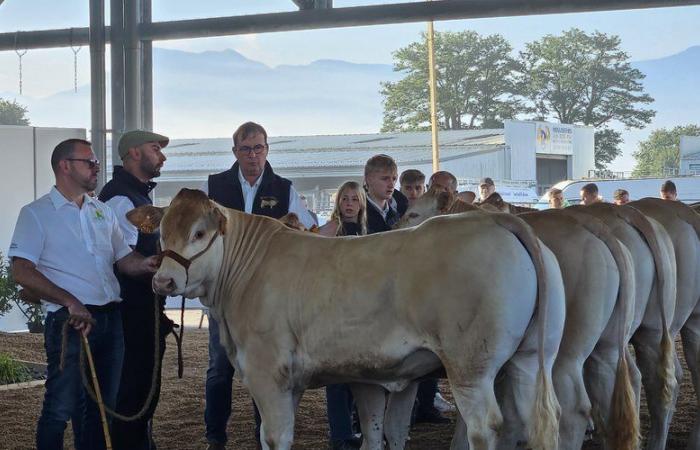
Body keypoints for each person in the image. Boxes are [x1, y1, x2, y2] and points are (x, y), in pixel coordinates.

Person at [8, 138, 158, 450]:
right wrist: (70, 301)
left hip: (110, 320)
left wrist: (152, 266)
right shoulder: (36, 214)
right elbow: (22, 270)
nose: (96, 167)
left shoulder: (101, 211)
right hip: (69, 323)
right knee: (60, 409)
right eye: (89, 162)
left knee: (103, 408)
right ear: (65, 166)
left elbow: (125, 260)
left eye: (96, 163)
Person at [201, 122, 315, 450]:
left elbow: (305, 232)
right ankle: (215, 436)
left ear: (267, 149)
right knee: (220, 367)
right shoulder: (214, 187)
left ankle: (262, 432)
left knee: (265, 364)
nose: (253, 155)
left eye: (259, 148)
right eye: (246, 149)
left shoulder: (284, 188)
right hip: (225, 294)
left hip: (269, 298)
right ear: (235, 151)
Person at [98, 130, 172, 450]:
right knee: (133, 389)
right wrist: (162, 268)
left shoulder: (137, 195)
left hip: (142, 308)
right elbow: (122, 260)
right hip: (130, 312)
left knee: (143, 387)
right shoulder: (121, 198)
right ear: (134, 153)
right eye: (155, 149)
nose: (163, 156)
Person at [318, 181, 368, 449]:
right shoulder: (330, 229)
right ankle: (339, 434)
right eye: (344, 199)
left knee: (356, 373)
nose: (349, 204)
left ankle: (351, 428)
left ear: (361, 203)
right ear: (338, 203)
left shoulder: (365, 231)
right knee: (337, 375)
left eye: (354, 199)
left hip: (359, 308)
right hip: (334, 307)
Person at [364, 154, 408, 234]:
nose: (391, 184)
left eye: (394, 179)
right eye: (385, 179)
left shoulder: (401, 211)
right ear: (369, 179)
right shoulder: (356, 213)